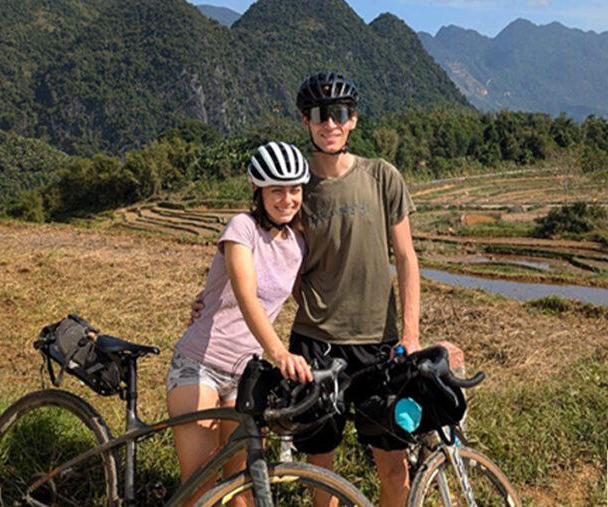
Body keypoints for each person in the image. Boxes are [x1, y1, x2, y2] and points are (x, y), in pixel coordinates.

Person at [193, 71, 421, 507]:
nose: (329, 123)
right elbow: (256, 249)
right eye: (319, 114)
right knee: (321, 469)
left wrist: (410, 333)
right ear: (305, 121)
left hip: (381, 344)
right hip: (316, 346)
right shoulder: (295, 187)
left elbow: (407, 257)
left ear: (352, 120)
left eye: (338, 113)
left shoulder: (382, 176)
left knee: (394, 467)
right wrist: (208, 299)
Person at [167, 141, 314, 506]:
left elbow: (307, 300)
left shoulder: (298, 243)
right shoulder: (242, 229)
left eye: (294, 189)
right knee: (200, 486)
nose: (287, 199)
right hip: (199, 364)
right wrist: (279, 352)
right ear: (257, 189)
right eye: (276, 190)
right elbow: (247, 297)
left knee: (241, 486)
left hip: (244, 376)